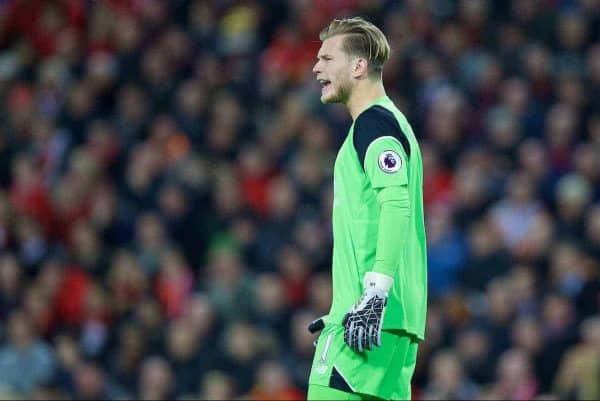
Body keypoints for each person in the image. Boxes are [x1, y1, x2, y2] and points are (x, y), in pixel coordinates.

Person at [307, 17, 428, 400]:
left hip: (365, 319)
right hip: (395, 324)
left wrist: (373, 293)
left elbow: (395, 204)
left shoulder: (374, 125)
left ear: (358, 66)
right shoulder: (394, 124)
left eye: (327, 58)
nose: (316, 67)